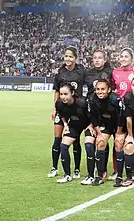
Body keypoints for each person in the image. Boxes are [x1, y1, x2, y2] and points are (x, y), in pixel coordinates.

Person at [48, 46, 85, 179]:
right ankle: (54, 167)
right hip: (62, 110)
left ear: (76, 58)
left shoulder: (81, 71)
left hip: (76, 111)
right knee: (57, 139)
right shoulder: (60, 72)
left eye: (71, 56)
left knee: (75, 140)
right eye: (66, 56)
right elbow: (57, 91)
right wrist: (54, 108)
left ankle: (76, 169)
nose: (68, 59)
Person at [81, 49, 113, 184]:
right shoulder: (87, 74)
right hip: (91, 114)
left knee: (102, 143)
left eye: (100, 58)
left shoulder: (111, 72)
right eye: (95, 58)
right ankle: (91, 172)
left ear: (105, 59)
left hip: (106, 116)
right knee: (89, 144)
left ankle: (102, 171)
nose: (97, 60)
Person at [110, 48, 134, 181]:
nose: (123, 59)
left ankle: (133, 169)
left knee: (132, 141)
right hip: (117, 111)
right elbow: (112, 89)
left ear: (132, 59)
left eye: (126, 56)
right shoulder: (114, 72)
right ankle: (116, 170)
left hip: (132, 111)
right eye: (121, 56)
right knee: (117, 140)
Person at [86, 78, 125, 186]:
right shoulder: (93, 99)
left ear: (109, 90)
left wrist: (118, 133)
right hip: (105, 125)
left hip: (119, 126)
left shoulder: (115, 99)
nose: (100, 91)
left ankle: (120, 176)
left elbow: (121, 117)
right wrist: (99, 134)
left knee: (118, 144)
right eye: (98, 89)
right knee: (100, 143)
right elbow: (93, 118)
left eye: (103, 89)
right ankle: (100, 174)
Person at [55, 83, 90, 183]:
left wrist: (91, 126)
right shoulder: (59, 103)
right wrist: (65, 124)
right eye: (61, 94)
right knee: (63, 146)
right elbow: (61, 114)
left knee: (89, 145)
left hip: (88, 124)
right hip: (75, 125)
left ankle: (91, 173)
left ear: (72, 93)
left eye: (66, 94)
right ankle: (67, 175)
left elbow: (92, 115)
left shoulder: (82, 103)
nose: (63, 97)